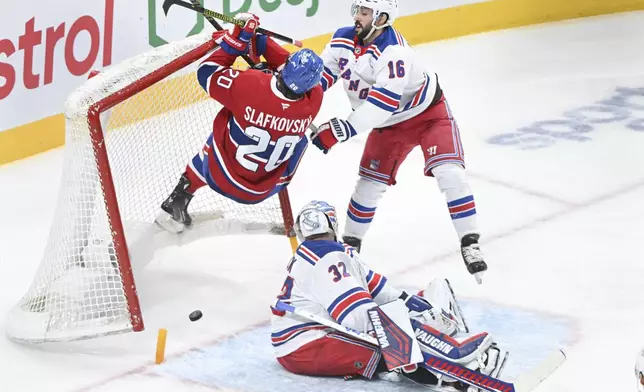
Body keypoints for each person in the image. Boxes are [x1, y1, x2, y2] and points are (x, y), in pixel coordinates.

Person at [310, 0, 487, 283]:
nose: (358, 16)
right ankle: (350, 248)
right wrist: (293, 93)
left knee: (450, 173)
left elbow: (382, 105)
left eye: (365, 12)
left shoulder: (394, 52)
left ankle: (470, 242)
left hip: (428, 115)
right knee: (368, 186)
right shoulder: (342, 38)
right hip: (388, 127)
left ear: (382, 18)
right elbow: (321, 79)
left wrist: (342, 129)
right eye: (357, 10)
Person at [270, 200, 506, 388]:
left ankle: (434, 359)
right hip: (306, 346)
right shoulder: (326, 257)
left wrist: (420, 308)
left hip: (308, 341)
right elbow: (358, 318)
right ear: (332, 224)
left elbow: (384, 292)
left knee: (427, 297)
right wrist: (403, 331)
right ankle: (457, 362)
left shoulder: (338, 253)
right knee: (390, 333)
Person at [155, 13, 324, 233]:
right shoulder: (316, 99)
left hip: (220, 176)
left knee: (229, 120)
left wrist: (236, 43)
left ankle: (180, 195)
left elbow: (206, 72)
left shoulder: (250, 85)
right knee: (300, 141)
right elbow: (285, 72)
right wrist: (262, 44)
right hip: (262, 191)